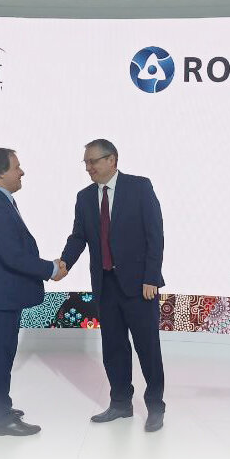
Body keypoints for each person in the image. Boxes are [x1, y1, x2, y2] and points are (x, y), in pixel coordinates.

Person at [60, 139, 166, 432]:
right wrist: (64, 263)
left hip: (140, 286)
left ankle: (155, 407)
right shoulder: (84, 197)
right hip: (105, 285)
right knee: (114, 347)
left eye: (93, 161)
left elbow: (155, 234)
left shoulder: (140, 187)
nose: (88, 167)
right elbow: (78, 237)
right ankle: (120, 403)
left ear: (112, 160)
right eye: (85, 163)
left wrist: (151, 277)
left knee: (147, 349)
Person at [0, 148, 66, 436]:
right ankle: (1, 420)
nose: (21, 172)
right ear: (1, 173)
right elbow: (13, 255)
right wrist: (51, 269)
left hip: (1, 295)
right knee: (1, 355)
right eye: (17, 167)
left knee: (0, 353)